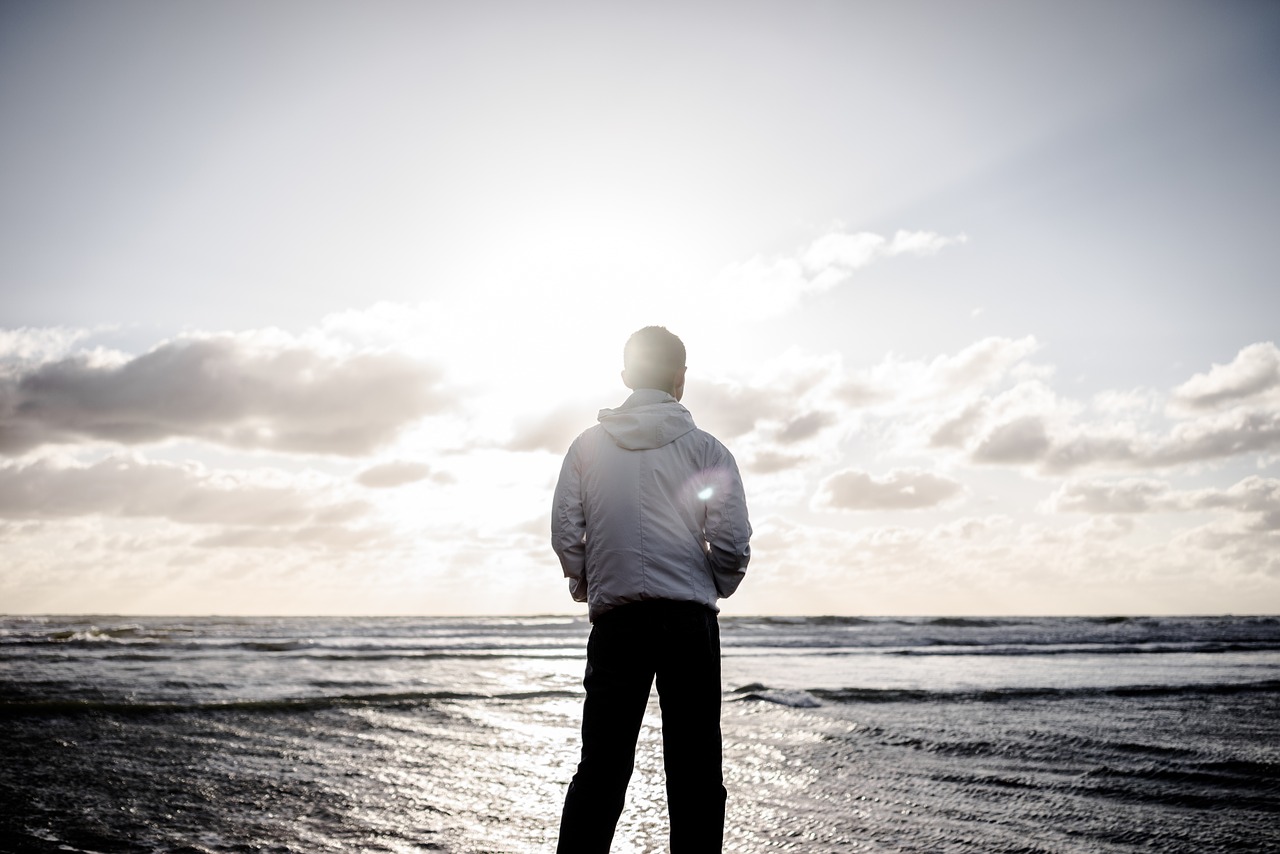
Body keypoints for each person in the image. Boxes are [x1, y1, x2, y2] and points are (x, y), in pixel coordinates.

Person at [551, 325, 752, 853]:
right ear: (680, 379)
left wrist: (591, 582)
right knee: (696, 777)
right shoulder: (707, 450)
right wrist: (714, 581)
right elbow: (730, 543)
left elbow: (566, 534)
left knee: (601, 772)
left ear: (625, 377)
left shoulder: (586, 448)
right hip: (687, 623)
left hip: (617, 623)